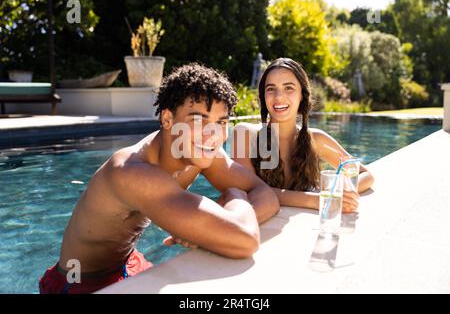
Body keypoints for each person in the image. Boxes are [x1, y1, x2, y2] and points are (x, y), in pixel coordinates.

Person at [39, 63, 280, 294]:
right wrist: (235, 195)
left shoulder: (200, 151)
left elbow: (265, 194)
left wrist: (215, 229)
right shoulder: (133, 172)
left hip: (129, 263)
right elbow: (246, 239)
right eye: (199, 120)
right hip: (81, 284)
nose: (212, 134)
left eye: (221, 122)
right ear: (167, 119)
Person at [232, 58, 374, 213]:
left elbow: (365, 174)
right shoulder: (244, 134)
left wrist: (339, 192)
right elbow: (248, 190)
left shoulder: (316, 139)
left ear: (302, 95)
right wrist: (319, 200)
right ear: (263, 96)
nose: (279, 97)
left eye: (289, 88)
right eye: (271, 89)